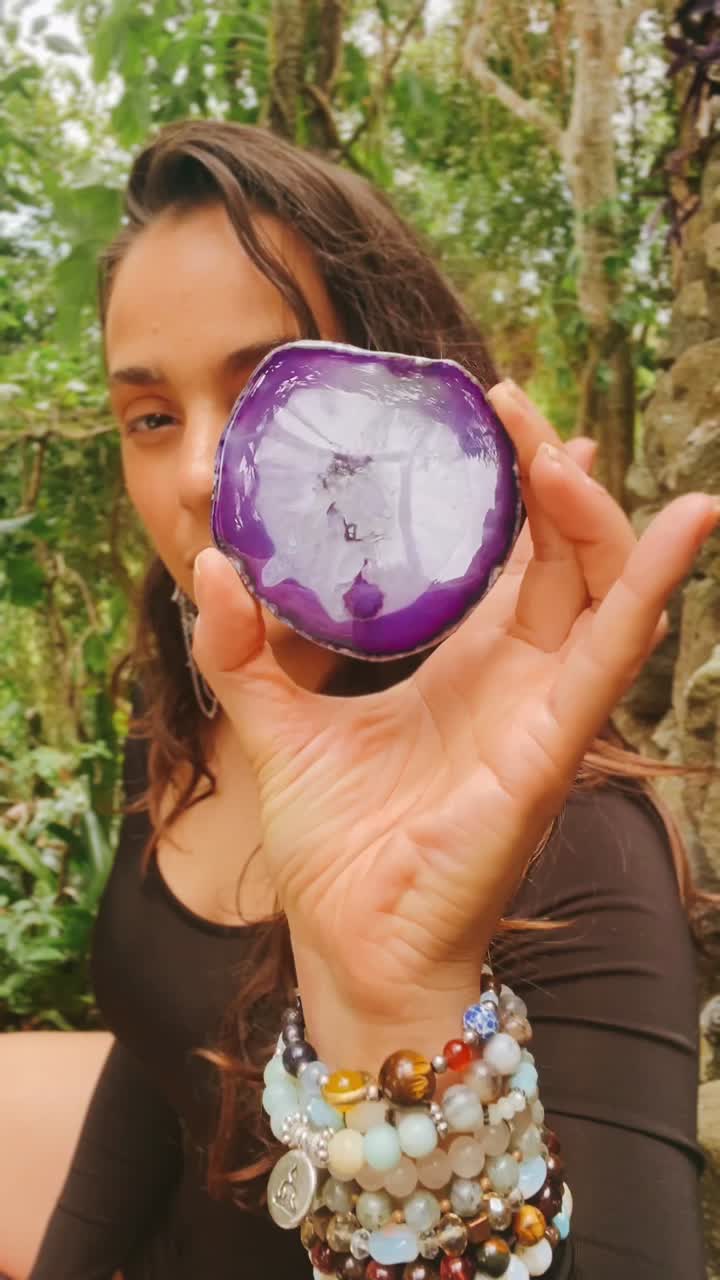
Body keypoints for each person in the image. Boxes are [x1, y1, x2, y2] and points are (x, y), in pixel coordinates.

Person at [2, 119, 714, 1280]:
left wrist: (399, 1009)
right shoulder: (186, 720)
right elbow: (152, 1068)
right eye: (150, 415)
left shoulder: (574, 843)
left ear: (417, 403)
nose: (197, 474)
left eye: (275, 394)